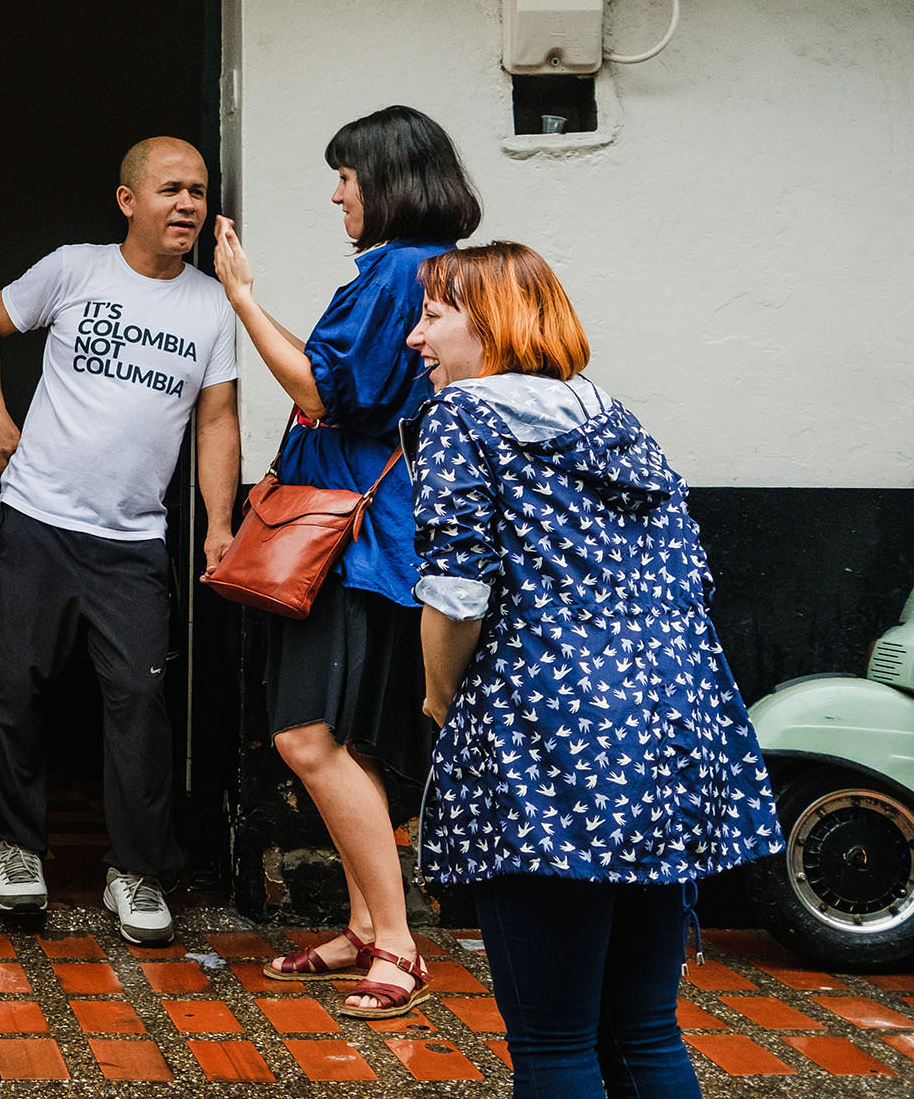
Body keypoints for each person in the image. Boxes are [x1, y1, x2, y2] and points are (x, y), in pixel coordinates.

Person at [407, 241, 781, 1099]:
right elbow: (695, 576)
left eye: (432, 317)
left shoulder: (463, 417)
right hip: (672, 726)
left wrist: (439, 696)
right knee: (644, 1029)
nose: (415, 340)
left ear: (491, 323)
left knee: (554, 1043)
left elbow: (459, 592)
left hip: (555, 737)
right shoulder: (617, 419)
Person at [211, 105, 480, 1016]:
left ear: (387, 181)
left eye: (347, 178)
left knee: (306, 736)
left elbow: (323, 392)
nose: (337, 194)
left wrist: (241, 295)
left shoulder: (399, 268)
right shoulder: (420, 267)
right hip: (375, 542)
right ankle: (365, 927)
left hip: (353, 544)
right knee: (349, 742)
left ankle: (398, 947)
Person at [0, 136, 240, 945]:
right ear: (128, 200)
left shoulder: (211, 305)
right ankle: (16, 850)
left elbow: (217, 419)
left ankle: (136, 869)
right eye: (170, 189)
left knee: (140, 702)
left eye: (198, 190)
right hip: (39, 517)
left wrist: (220, 522)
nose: (187, 204)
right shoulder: (76, 269)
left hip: (133, 540)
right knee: (16, 688)